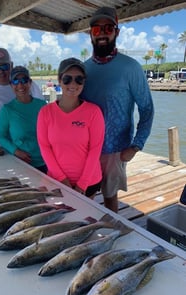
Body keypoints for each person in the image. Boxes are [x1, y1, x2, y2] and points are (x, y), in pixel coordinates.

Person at [81, 7, 154, 211]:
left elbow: (147, 108)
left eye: (108, 28)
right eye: (97, 29)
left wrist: (136, 145)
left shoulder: (131, 68)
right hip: (86, 150)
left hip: (116, 151)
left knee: (110, 200)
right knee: (83, 199)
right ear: (90, 34)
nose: (103, 32)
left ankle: (112, 238)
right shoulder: (83, 69)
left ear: (117, 32)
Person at [37, 58, 105, 199]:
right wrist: (62, 179)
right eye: (67, 79)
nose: (73, 84)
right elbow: (44, 147)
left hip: (88, 182)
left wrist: (82, 185)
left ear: (84, 82)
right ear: (60, 80)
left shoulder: (94, 112)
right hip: (56, 180)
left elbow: (95, 150)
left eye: (78, 79)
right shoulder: (45, 112)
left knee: (85, 219)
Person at [0, 66, 47, 173]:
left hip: (46, 162)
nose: (20, 85)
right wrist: (16, 151)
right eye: (15, 81)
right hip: (21, 164)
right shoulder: (7, 110)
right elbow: (1, 136)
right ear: (11, 85)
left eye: (24, 80)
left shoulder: (42, 106)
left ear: (30, 83)